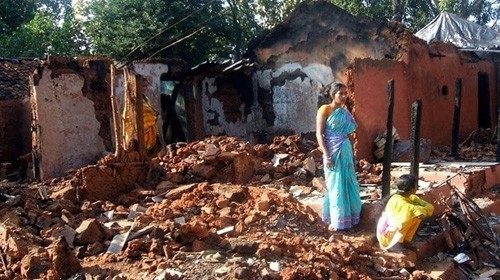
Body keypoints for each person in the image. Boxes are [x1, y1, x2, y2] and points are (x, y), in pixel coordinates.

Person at [316, 82, 362, 231]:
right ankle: (337, 222)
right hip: (332, 152)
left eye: (345, 93)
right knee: (335, 185)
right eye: (340, 93)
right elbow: (319, 133)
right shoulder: (325, 109)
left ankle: (351, 220)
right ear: (332, 94)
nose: (343, 96)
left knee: (349, 183)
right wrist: (326, 154)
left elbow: (350, 132)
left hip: (345, 149)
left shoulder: (345, 112)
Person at [377, 174, 434, 250]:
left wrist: (419, 203)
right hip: (388, 238)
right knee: (416, 218)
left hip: (383, 234)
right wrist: (422, 206)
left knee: (412, 216)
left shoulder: (395, 197)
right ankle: (399, 243)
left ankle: (402, 241)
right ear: (412, 189)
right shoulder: (409, 206)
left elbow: (424, 205)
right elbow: (429, 209)